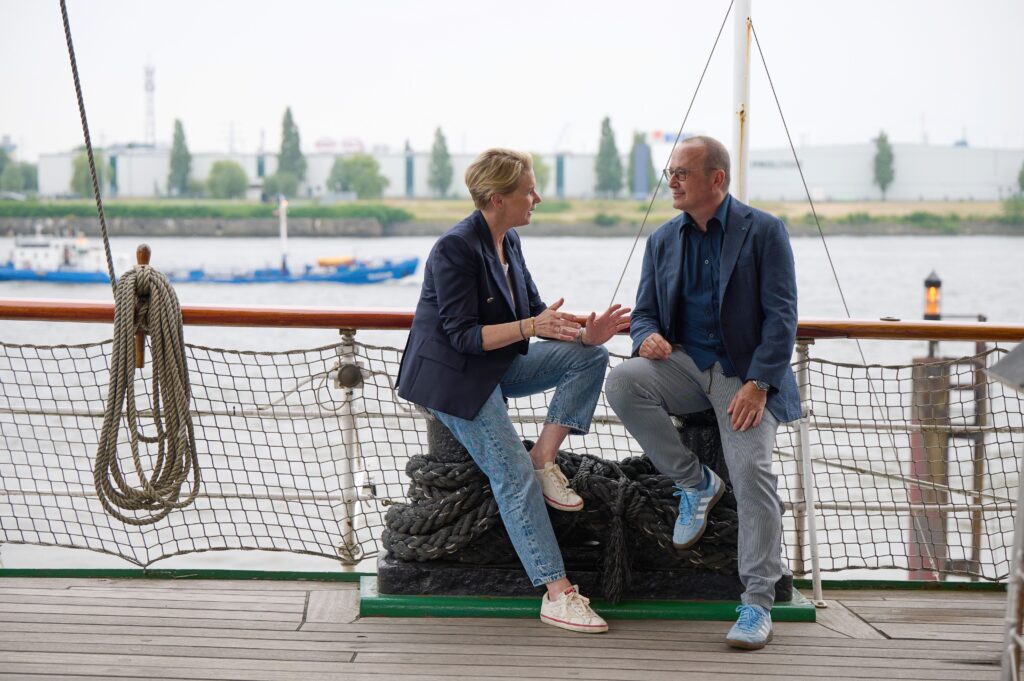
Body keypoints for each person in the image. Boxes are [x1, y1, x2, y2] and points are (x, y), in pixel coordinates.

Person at [397, 148, 630, 634]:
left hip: (495, 364)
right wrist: (530, 324)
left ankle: (545, 458)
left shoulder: (510, 241)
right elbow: (463, 336)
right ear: (498, 198)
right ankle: (557, 593)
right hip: (454, 377)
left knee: (590, 358)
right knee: (512, 475)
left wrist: (586, 335)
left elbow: (537, 313)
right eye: (529, 190)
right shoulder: (454, 248)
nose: (537, 197)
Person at [604, 136, 799, 650]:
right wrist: (645, 335)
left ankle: (757, 602)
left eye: (682, 172)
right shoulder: (662, 240)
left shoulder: (765, 231)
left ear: (717, 179)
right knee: (622, 380)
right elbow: (644, 312)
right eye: (670, 171)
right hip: (684, 366)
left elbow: (782, 319)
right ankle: (696, 484)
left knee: (753, 470)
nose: (671, 180)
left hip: (745, 375)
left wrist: (759, 385)